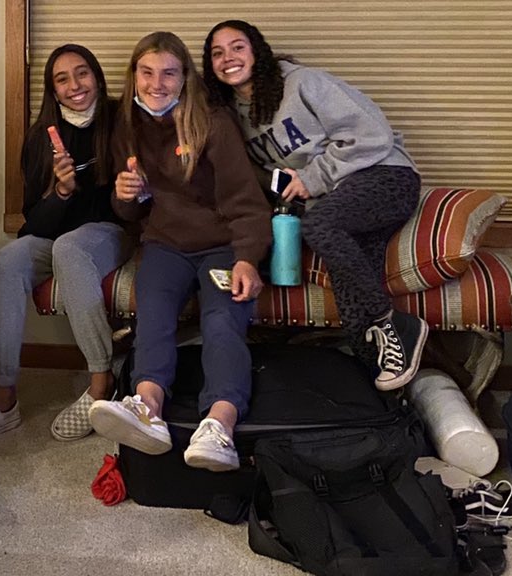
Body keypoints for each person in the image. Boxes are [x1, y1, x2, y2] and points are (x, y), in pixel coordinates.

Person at [203, 20, 427, 391]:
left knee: (319, 225)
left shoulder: (303, 83)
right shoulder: (233, 118)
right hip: (337, 206)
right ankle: (388, 398)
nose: (228, 57)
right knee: (353, 315)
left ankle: (394, 322)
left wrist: (313, 178)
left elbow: (373, 134)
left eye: (237, 47)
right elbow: (265, 179)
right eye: (217, 53)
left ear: (257, 51)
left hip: (385, 177)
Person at [87, 31, 272, 472]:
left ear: (185, 77)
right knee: (152, 317)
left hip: (222, 244)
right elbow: (130, 212)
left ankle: (220, 425)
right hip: (164, 243)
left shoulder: (213, 122)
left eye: (169, 73)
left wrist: (247, 258)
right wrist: (125, 195)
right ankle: (147, 406)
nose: (157, 84)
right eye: (147, 73)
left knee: (222, 321)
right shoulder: (126, 123)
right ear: (134, 76)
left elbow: (247, 201)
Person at [0, 45, 131, 446]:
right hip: (56, 236)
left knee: (70, 247)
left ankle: (101, 382)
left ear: (97, 76)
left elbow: (129, 206)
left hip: (108, 233)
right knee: (6, 261)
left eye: (82, 73)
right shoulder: (41, 136)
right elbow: (33, 222)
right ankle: (4, 397)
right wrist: (61, 192)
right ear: (53, 90)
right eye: (62, 79)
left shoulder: (120, 120)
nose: (74, 85)